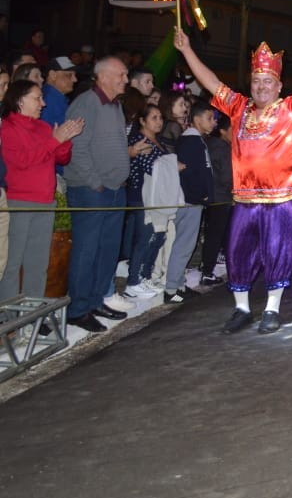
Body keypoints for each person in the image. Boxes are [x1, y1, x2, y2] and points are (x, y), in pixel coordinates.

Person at [173, 28, 292, 334]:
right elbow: (211, 82)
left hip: (282, 198)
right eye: (256, 81)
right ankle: (242, 309)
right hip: (245, 199)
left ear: (278, 85)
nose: (261, 87)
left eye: (267, 82)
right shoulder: (238, 108)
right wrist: (187, 51)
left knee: (278, 251)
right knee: (237, 251)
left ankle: (272, 308)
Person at [63, 56, 132, 333]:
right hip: (92, 191)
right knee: (86, 251)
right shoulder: (86, 103)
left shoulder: (115, 105)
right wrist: (95, 183)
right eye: (122, 75)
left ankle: (94, 301)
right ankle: (78, 310)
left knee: (107, 251)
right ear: (103, 76)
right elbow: (76, 148)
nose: (126, 80)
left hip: (115, 190)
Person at [0, 81, 83, 302]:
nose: (43, 104)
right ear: (19, 100)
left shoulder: (43, 127)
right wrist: (54, 140)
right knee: (12, 264)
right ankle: (9, 318)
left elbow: (62, 158)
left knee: (38, 264)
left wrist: (64, 140)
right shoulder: (8, 127)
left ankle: (32, 315)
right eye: (37, 98)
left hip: (46, 201)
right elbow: (21, 161)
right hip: (20, 203)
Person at [162, 101, 215, 303]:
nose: (213, 123)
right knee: (183, 244)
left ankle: (179, 284)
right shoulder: (190, 142)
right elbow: (189, 172)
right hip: (189, 201)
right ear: (197, 119)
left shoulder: (196, 141)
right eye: (209, 118)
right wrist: (199, 195)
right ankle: (171, 288)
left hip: (193, 200)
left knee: (186, 244)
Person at [121, 104, 172, 298]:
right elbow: (151, 167)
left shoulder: (158, 142)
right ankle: (133, 281)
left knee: (158, 236)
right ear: (142, 121)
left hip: (159, 196)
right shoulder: (138, 141)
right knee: (145, 237)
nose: (159, 122)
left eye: (160, 117)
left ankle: (145, 276)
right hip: (142, 195)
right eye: (154, 118)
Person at [199, 112, 233, 285]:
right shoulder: (223, 148)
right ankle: (207, 271)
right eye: (233, 129)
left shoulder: (208, 144)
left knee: (214, 233)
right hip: (221, 196)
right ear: (222, 131)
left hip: (211, 195)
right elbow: (227, 176)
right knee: (216, 234)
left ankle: (208, 267)